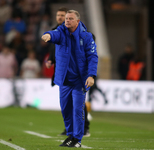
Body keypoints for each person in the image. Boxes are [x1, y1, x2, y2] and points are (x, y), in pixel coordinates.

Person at [42, 10, 98, 147]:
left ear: (77, 21)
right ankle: (70, 135)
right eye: (66, 18)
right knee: (66, 109)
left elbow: (92, 57)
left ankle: (77, 139)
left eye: (70, 19)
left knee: (78, 110)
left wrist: (91, 75)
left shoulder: (86, 37)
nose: (67, 21)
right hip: (65, 80)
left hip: (79, 80)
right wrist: (48, 34)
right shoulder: (61, 32)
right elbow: (54, 34)